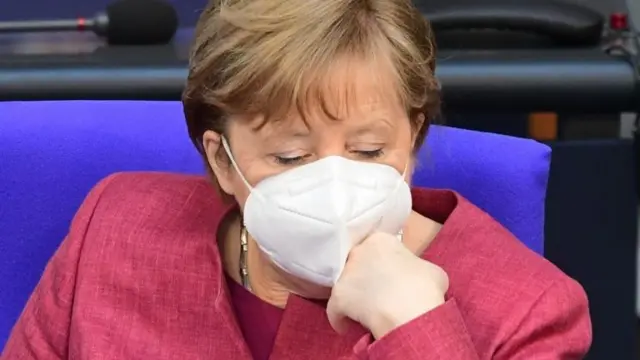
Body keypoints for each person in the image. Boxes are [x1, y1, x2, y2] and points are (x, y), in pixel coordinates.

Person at [1, 0, 591, 359]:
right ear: (222, 160)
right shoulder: (115, 228)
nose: (334, 182)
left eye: (367, 148)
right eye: (288, 157)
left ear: (412, 137)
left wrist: (418, 332)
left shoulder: (529, 310)